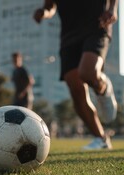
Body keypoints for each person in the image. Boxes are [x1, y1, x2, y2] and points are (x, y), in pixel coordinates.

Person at [33, 0, 118, 150]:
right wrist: (44, 13)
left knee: (88, 73)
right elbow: (50, 6)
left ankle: (103, 87)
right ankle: (101, 139)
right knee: (76, 91)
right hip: (69, 37)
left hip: (96, 25)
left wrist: (112, 8)